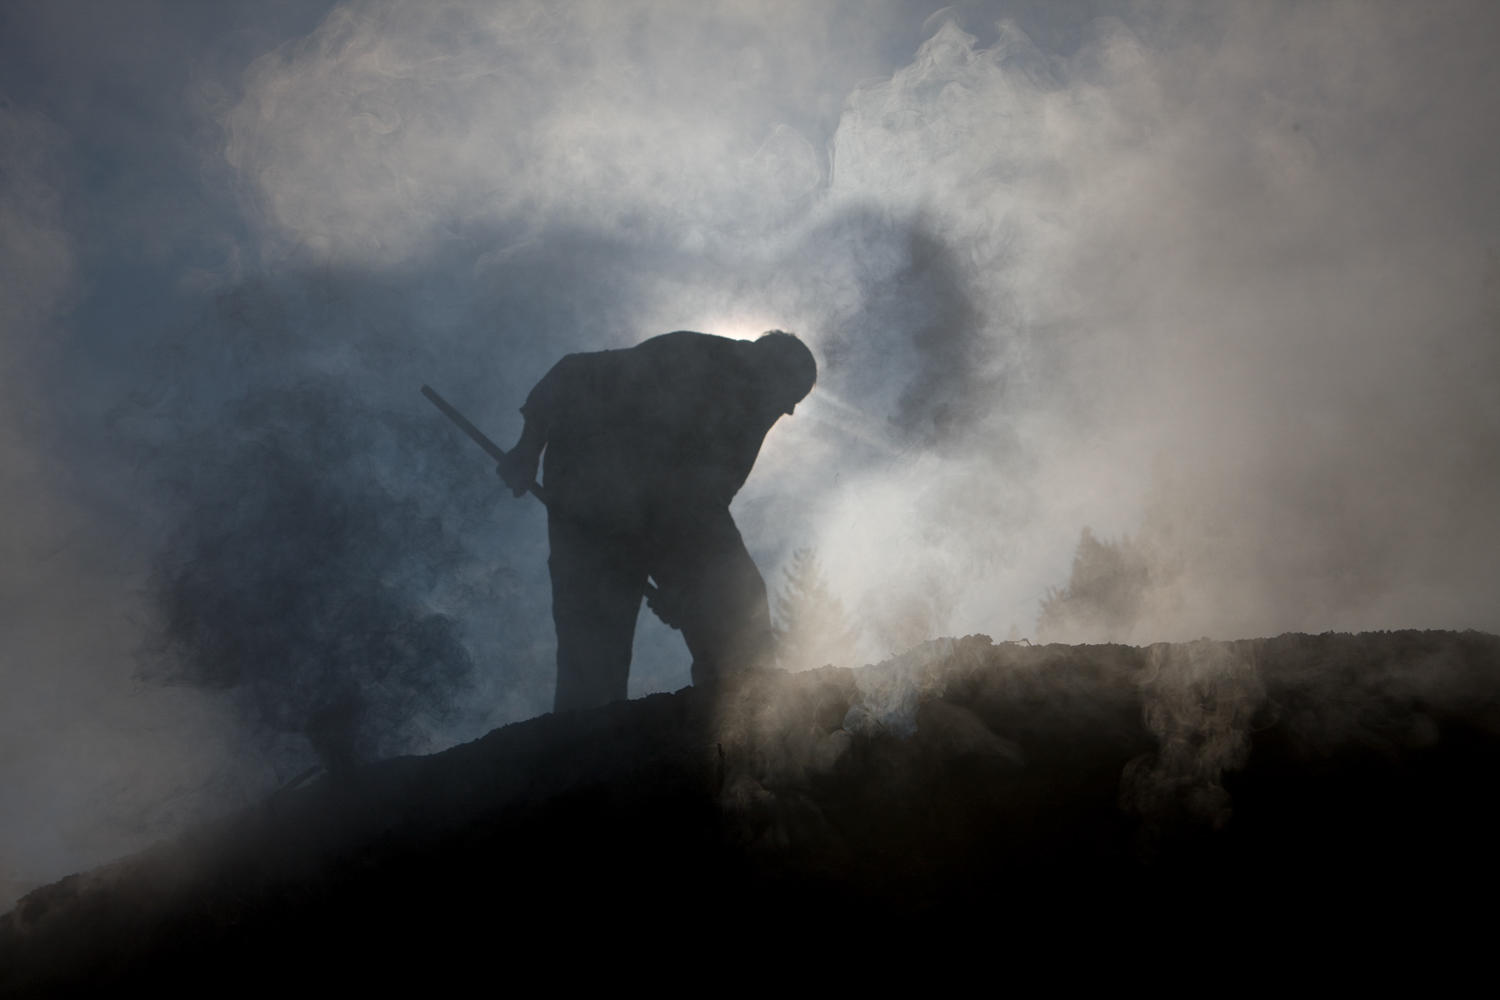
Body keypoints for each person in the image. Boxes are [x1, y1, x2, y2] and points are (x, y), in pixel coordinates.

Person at [497, 330, 817, 712]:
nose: (788, 412)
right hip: (590, 502)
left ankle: (741, 721)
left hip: (670, 512)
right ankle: (584, 749)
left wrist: (686, 586)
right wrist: (528, 447)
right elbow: (573, 372)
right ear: (767, 370)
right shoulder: (687, 356)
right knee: (596, 643)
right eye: (788, 398)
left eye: (792, 403)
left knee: (736, 603)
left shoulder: (750, 413)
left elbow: (706, 501)